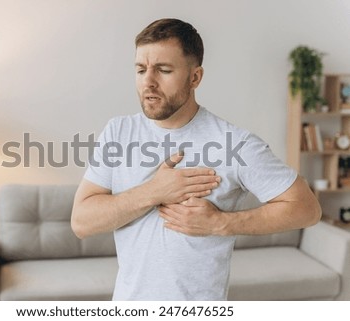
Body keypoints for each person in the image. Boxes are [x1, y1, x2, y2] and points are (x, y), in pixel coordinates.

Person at [71, 18, 321, 300]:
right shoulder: (118, 132)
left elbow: (307, 209)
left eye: (164, 70)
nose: (148, 82)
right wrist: (154, 191)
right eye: (141, 70)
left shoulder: (234, 142)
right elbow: (81, 222)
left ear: (195, 77)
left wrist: (221, 223)